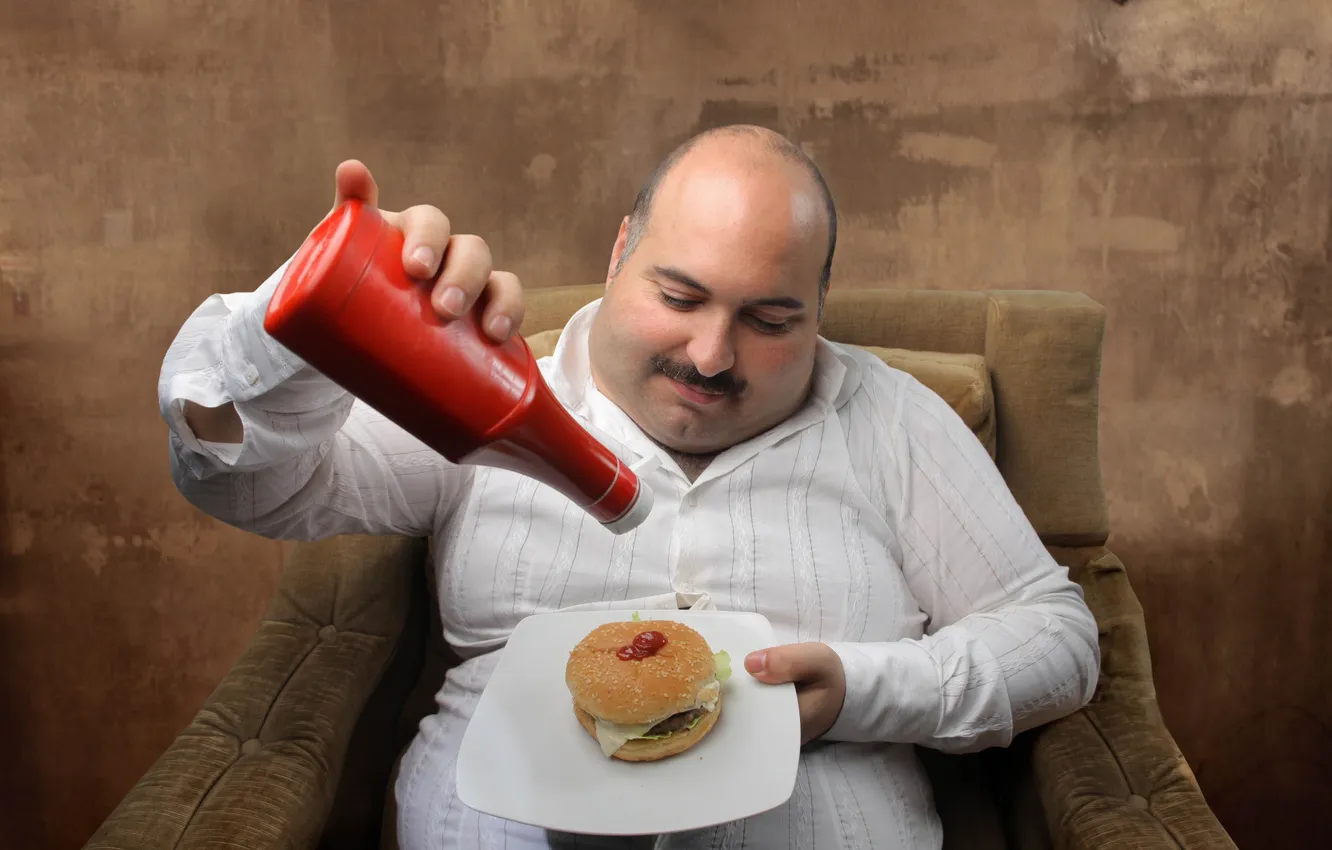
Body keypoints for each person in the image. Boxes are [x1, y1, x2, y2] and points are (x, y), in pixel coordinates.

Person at [158, 125, 1100, 849]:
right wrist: (296, 323)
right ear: (619, 254)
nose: (712, 354)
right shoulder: (482, 385)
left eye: (772, 318)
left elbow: (1056, 637)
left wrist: (864, 689)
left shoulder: (895, 420)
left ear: (820, 307)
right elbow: (254, 483)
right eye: (680, 298)